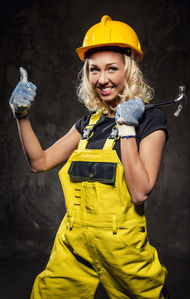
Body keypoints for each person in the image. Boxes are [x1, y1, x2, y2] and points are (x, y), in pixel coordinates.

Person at [9, 15, 169, 299]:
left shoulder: (150, 119)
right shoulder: (87, 123)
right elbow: (40, 162)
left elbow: (140, 192)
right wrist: (21, 116)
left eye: (112, 69)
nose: (102, 79)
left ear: (129, 69)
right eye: (94, 70)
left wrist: (128, 128)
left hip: (123, 248)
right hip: (74, 243)